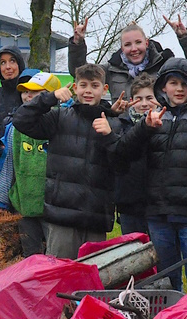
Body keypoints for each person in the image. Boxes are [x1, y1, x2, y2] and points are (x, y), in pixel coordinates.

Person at [110, 58, 187, 290]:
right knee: (165, 281)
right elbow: (122, 153)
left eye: (185, 84)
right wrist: (144, 128)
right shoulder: (153, 119)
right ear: (164, 86)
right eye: (174, 83)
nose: (179, 89)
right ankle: (170, 315)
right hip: (158, 213)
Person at [12, 64, 117, 259]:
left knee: (94, 271)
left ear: (104, 90)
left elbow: (122, 159)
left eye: (94, 85)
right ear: (75, 88)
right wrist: (49, 98)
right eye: (83, 85)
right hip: (62, 216)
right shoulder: (59, 118)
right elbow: (21, 119)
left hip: (95, 217)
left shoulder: (112, 123)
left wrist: (111, 134)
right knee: (59, 270)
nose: (88, 91)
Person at [68, 15, 187, 102]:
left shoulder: (165, 66)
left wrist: (184, 37)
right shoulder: (110, 70)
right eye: (127, 45)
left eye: (138, 43)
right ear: (121, 48)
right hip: (123, 135)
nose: (134, 49)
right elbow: (79, 72)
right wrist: (78, 44)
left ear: (146, 43)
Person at [7, 70, 60, 255]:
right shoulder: (18, 125)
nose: (28, 95)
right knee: (31, 255)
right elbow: (14, 162)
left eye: (35, 92)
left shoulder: (59, 120)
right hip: (25, 205)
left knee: (54, 255)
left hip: (52, 206)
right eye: (25, 91)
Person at [113, 74, 157, 236]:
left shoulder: (165, 124)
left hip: (158, 202)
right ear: (131, 100)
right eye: (139, 99)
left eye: (149, 98)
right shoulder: (121, 124)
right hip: (129, 201)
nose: (144, 103)